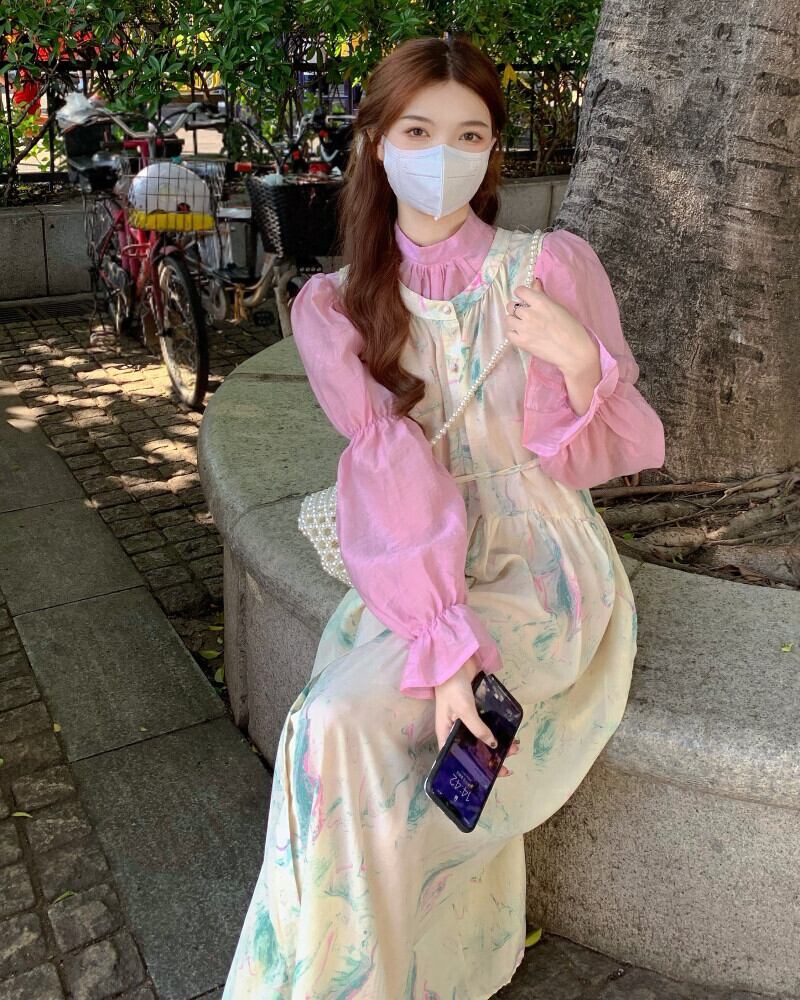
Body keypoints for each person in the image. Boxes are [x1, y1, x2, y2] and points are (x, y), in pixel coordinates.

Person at [221, 33, 665, 1000]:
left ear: (493, 148)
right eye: (418, 131)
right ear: (375, 141)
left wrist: (578, 360)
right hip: (420, 565)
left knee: (352, 724)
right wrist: (444, 639)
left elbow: (596, 453)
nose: (443, 154)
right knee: (329, 725)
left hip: (539, 564)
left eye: (469, 134)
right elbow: (388, 471)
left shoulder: (548, 267)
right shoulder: (340, 305)